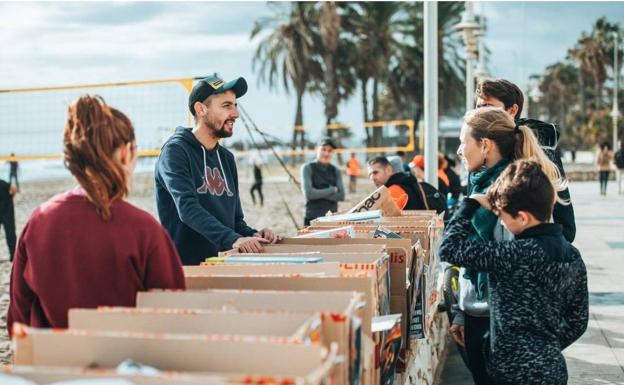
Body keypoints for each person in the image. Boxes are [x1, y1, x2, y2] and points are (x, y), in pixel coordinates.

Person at [7, 95, 185, 334]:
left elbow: (17, 323)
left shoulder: (38, 222)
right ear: (126, 153)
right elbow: (174, 324)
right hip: (127, 365)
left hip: (53, 365)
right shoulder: (144, 230)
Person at [450, 106, 570, 385]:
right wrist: (461, 313)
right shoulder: (483, 187)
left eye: (462, 141)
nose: (459, 150)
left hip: (501, 326)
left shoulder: (513, 195)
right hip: (479, 316)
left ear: (485, 145)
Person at [439, 159, 588, 385]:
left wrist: (470, 204)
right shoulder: (573, 256)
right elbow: (578, 321)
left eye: (503, 216)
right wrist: (544, 348)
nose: (503, 222)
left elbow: (449, 248)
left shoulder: (512, 255)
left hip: (510, 372)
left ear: (523, 217)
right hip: (553, 369)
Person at [155, 75, 278, 265]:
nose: (236, 114)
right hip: (185, 269)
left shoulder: (227, 158)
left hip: (221, 264)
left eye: (235, 105)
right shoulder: (175, 151)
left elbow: (235, 222)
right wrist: (233, 239)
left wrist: (253, 234)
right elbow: (187, 208)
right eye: (227, 106)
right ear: (201, 109)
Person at [475, 78, 576, 242]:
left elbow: (565, 224)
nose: (480, 113)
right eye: (478, 107)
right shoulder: (479, 152)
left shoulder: (540, 152)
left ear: (512, 110)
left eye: (488, 107)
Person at [367, 156, 447, 215]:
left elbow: (386, 220)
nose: (372, 178)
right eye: (369, 175)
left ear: (388, 170)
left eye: (375, 173)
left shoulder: (394, 190)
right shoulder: (410, 183)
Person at [300, 137, 345, 226]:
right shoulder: (307, 168)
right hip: (312, 218)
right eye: (323, 149)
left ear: (333, 153)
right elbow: (308, 194)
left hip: (331, 218)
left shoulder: (336, 171)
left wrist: (317, 193)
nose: (326, 153)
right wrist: (332, 190)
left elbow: (341, 196)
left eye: (330, 150)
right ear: (317, 150)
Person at [0, 178, 16, 260]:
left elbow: (13, 190)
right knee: (10, 233)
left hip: (7, 210)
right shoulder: (4, 183)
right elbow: (13, 190)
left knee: (10, 234)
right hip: (7, 210)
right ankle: (13, 255)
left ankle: (13, 255)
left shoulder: (3, 183)